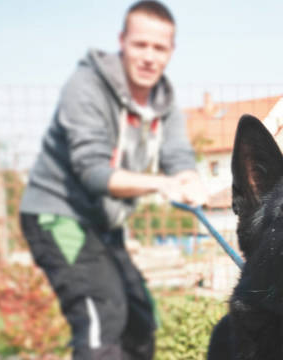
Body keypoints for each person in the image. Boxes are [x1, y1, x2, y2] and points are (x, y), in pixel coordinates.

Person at [19, 1, 205, 358]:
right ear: (122, 41)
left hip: (104, 225)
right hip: (58, 216)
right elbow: (93, 172)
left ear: (171, 51)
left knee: (139, 319)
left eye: (159, 48)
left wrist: (188, 178)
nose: (149, 57)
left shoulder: (163, 101)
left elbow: (178, 155)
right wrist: (161, 184)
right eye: (140, 45)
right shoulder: (85, 87)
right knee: (101, 314)